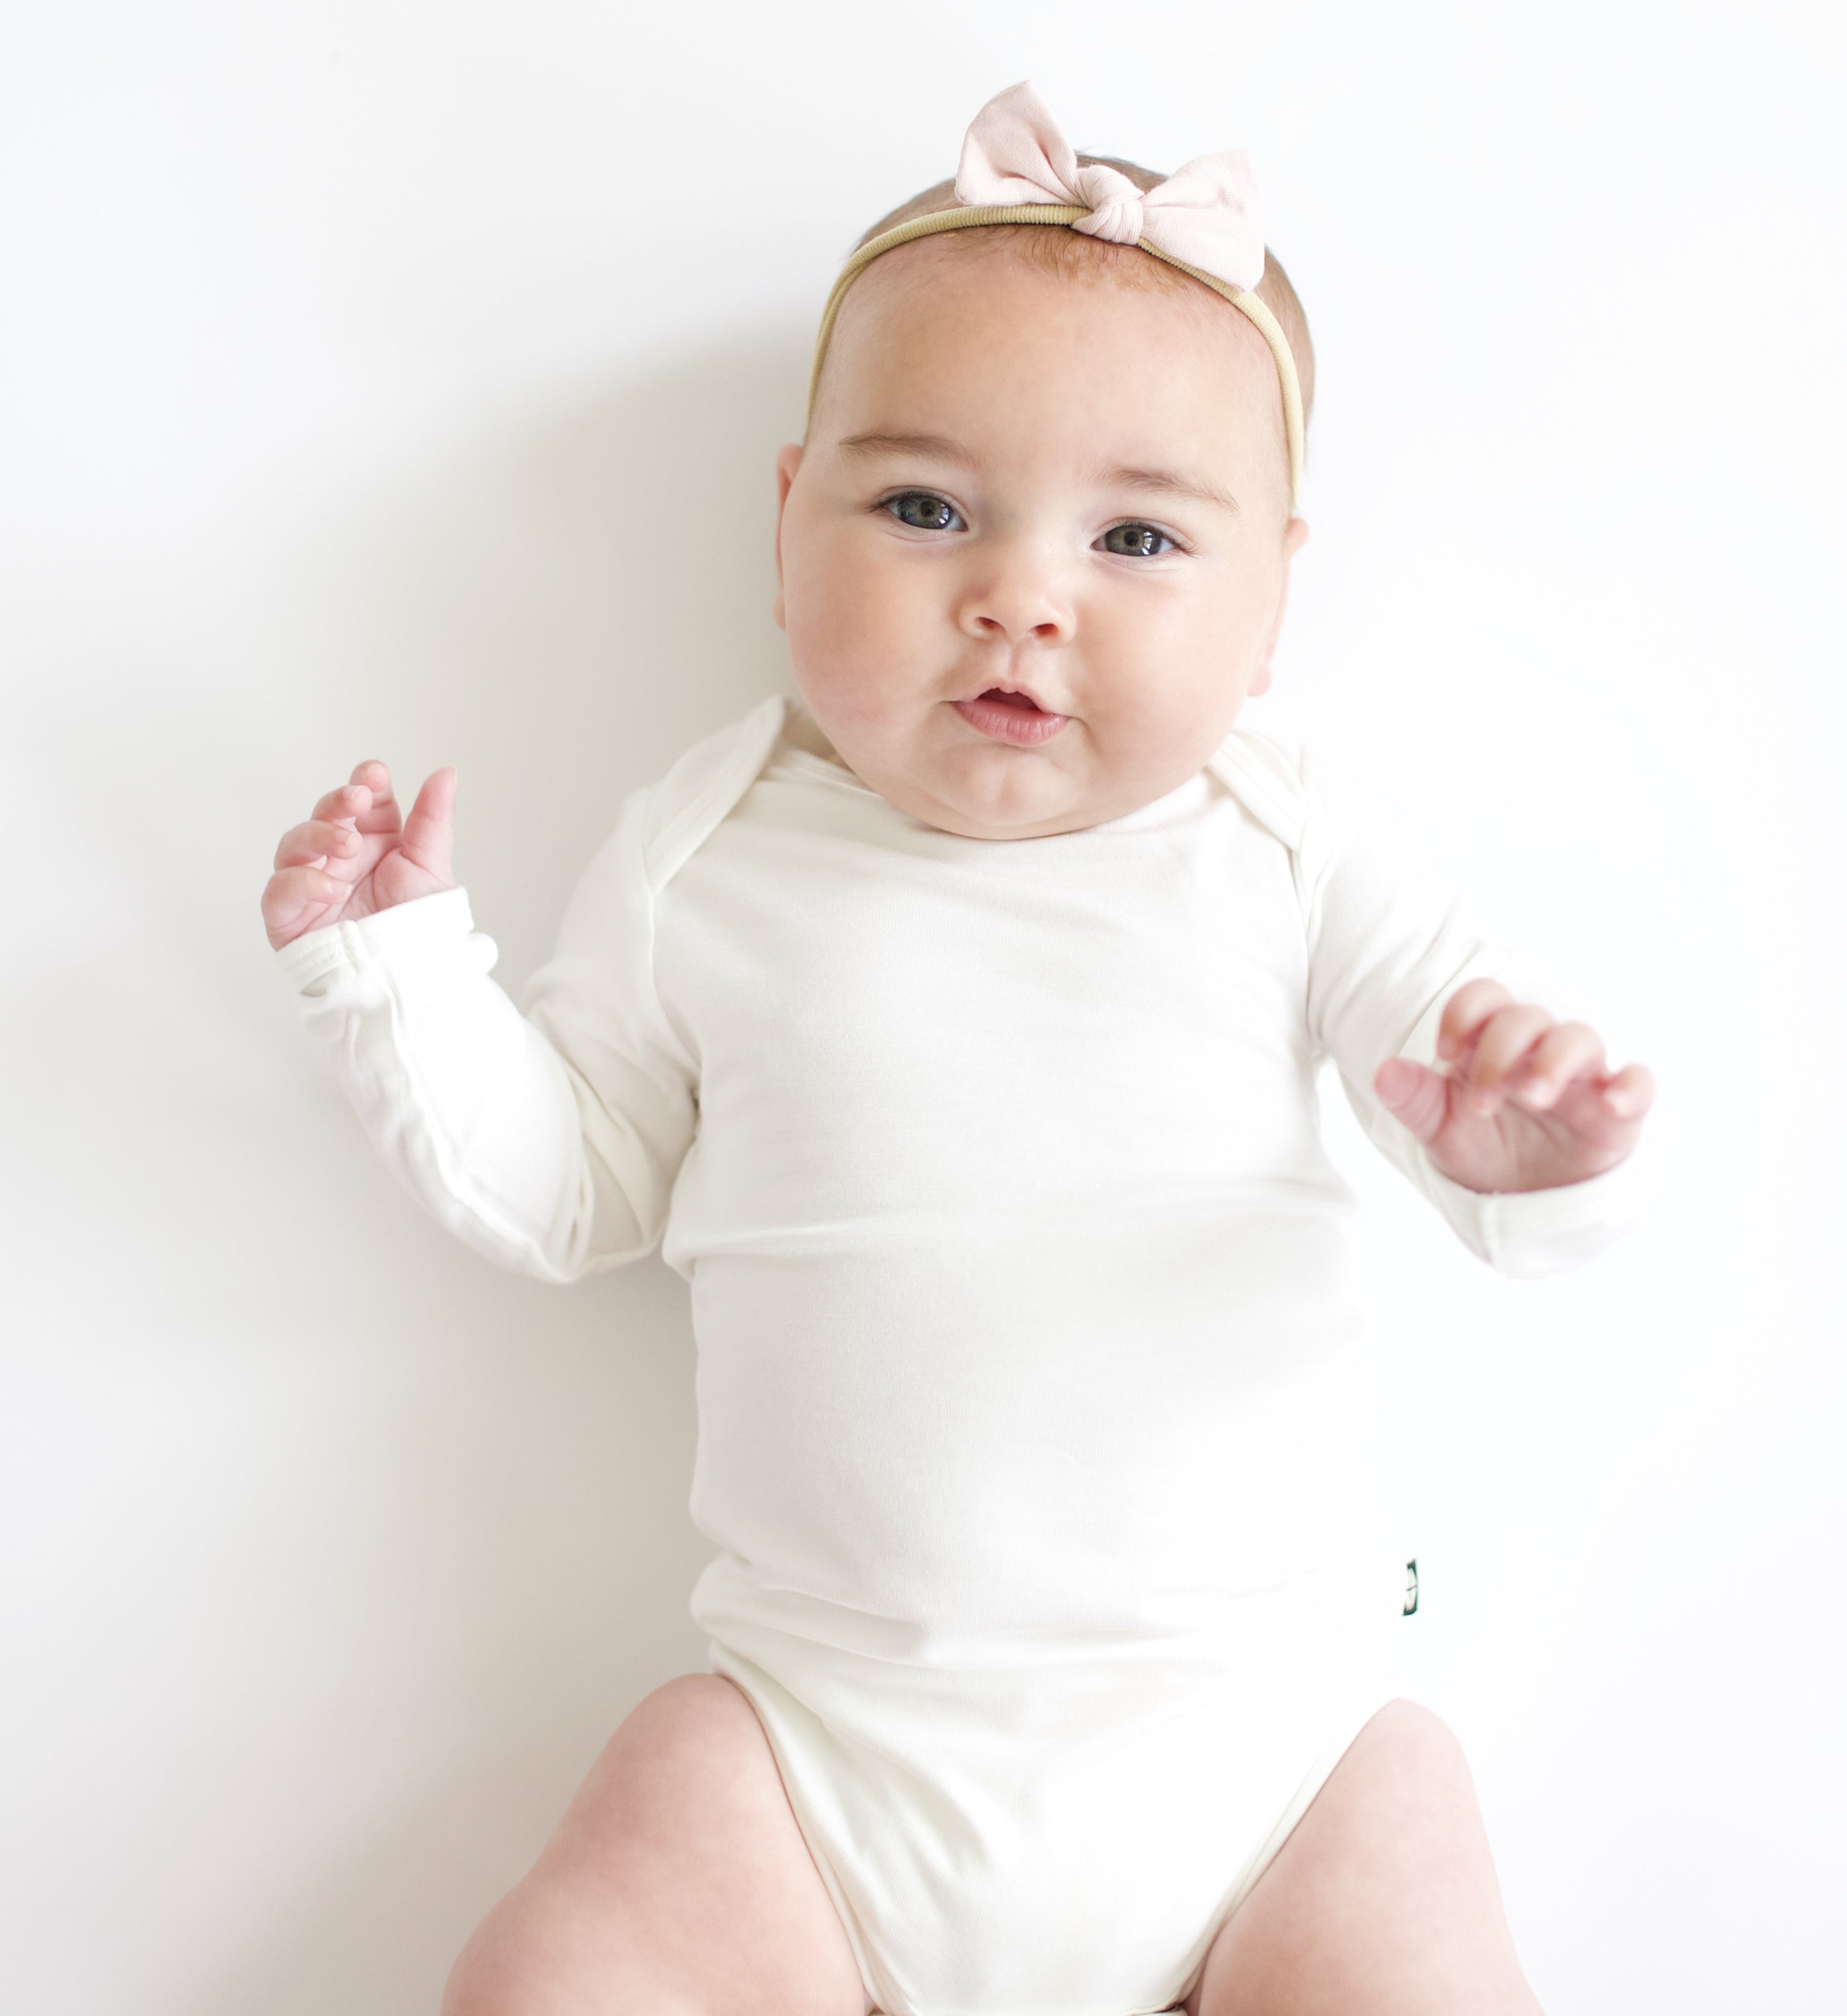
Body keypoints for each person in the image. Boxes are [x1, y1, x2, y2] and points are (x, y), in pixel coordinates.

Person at [262, 81, 1653, 2016]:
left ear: (1274, 605)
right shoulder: (708, 849)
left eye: (1141, 538)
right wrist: (393, 974)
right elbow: (575, 1188)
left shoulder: (1293, 840)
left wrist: (1533, 1169)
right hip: (826, 1751)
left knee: (1420, 1880)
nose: (1021, 594)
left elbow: (1479, 1115)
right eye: (924, 508)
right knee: (556, 1975)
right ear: (786, 521)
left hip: (1271, 1750)